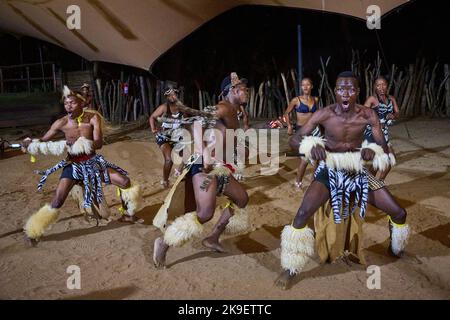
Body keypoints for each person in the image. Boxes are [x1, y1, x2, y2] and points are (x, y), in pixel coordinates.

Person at [275, 71, 409, 289]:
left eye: (350, 89)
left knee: (399, 212)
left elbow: (384, 148)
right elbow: (295, 140)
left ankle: (396, 247)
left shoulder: (368, 115)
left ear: (357, 92)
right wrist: (312, 146)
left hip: (357, 171)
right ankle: (291, 267)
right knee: (301, 214)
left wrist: (371, 151)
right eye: (341, 89)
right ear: (335, 91)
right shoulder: (324, 114)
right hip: (329, 168)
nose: (345, 93)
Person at [22, 86, 142, 246]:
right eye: (66, 104)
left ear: (80, 103)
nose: (68, 106)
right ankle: (33, 231)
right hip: (73, 165)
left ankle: (128, 215)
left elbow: (98, 143)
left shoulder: (92, 118)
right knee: (58, 200)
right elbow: (43, 140)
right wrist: (30, 142)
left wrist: (83, 144)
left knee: (125, 182)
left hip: (93, 163)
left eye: (72, 103)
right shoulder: (61, 122)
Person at [152, 72, 250, 268]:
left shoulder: (234, 112)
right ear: (233, 90)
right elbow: (196, 120)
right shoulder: (223, 107)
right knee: (204, 213)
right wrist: (203, 151)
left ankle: (213, 237)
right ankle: (164, 242)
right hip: (204, 166)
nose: (247, 92)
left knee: (241, 199)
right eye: (244, 89)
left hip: (220, 168)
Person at [283, 78, 321, 189]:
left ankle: (314, 181)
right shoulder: (296, 100)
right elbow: (286, 113)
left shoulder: (316, 99)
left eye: (307, 85)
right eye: (303, 85)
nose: (305, 87)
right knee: (305, 159)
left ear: (311, 86)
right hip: (301, 131)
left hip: (314, 131)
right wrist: (289, 125)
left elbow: (317, 115)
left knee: (316, 159)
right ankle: (298, 183)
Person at [364, 76, 400, 182]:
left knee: (385, 162)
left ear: (387, 85)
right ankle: (374, 185)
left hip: (384, 134)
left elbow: (398, 113)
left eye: (383, 84)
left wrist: (393, 115)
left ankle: (376, 185)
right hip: (373, 134)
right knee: (385, 161)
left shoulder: (391, 98)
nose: (381, 87)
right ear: (375, 87)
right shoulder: (372, 99)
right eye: (378, 85)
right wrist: (376, 122)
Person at [149, 84, 184, 188]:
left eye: (175, 94)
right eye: (171, 95)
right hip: (164, 137)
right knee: (169, 159)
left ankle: (179, 171)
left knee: (189, 155)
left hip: (178, 137)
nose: (173, 97)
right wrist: (153, 128)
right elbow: (152, 117)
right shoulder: (164, 107)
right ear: (167, 97)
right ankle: (165, 180)